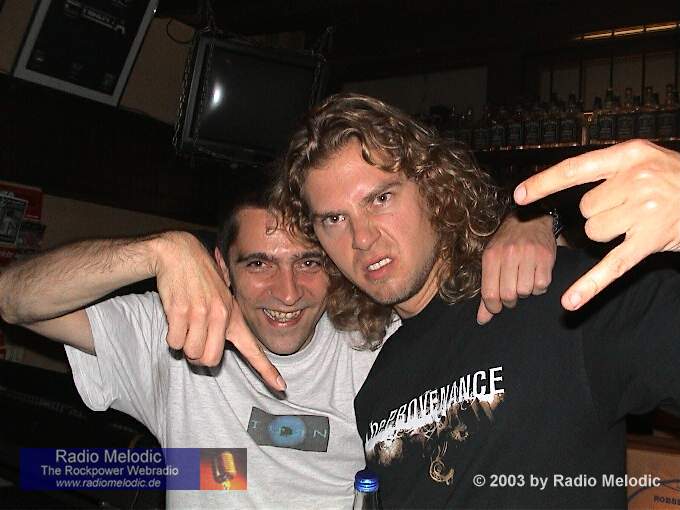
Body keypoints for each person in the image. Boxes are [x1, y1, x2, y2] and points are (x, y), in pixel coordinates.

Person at [0, 178, 556, 508]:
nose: (287, 292)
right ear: (221, 268)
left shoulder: (378, 341)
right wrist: (158, 250)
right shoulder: (173, 331)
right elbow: (12, 299)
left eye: (308, 262)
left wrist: (532, 220)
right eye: (259, 263)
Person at [280, 93, 680, 509]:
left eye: (381, 198)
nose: (361, 238)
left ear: (432, 187)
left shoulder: (557, 297)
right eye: (334, 219)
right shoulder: (376, 389)